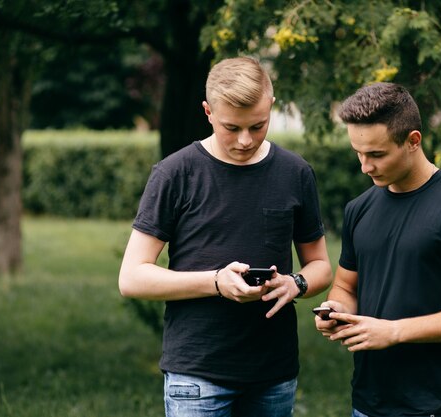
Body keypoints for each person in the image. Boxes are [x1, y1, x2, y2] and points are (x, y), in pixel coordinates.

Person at [119, 56, 332, 417]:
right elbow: (132, 278)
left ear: (271, 106)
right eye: (232, 128)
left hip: (274, 375)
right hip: (198, 374)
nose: (245, 140)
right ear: (208, 112)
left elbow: (321, 266)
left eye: (258, 126)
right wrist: (216, 282)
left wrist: (296, 283)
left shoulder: (295, 172)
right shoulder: (175, 173)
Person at [314, 82, 441, 417]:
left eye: (376, 154)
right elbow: (346, 285)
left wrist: (395, 331)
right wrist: (337, 310)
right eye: (358, 153)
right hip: (366, 403)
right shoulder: (359, 208)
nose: (365, 167)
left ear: (413, 141)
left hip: (432, 406)